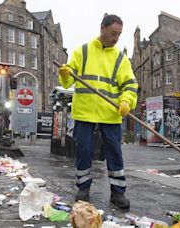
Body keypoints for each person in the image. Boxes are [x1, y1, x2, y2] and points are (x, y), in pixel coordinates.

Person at [58, 14, 138, 209]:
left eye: (119, 34)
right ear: (102, 28)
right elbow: (68, 82)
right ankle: (83, 188)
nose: (116, 38)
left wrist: (126, 101)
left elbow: (130, 85)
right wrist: (64, 73)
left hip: (110, 114)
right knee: (83, 151)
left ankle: (118, 193)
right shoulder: (82, 52)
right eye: (113, 33)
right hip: (84, 112)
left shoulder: (121, 59)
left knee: (114, 153)